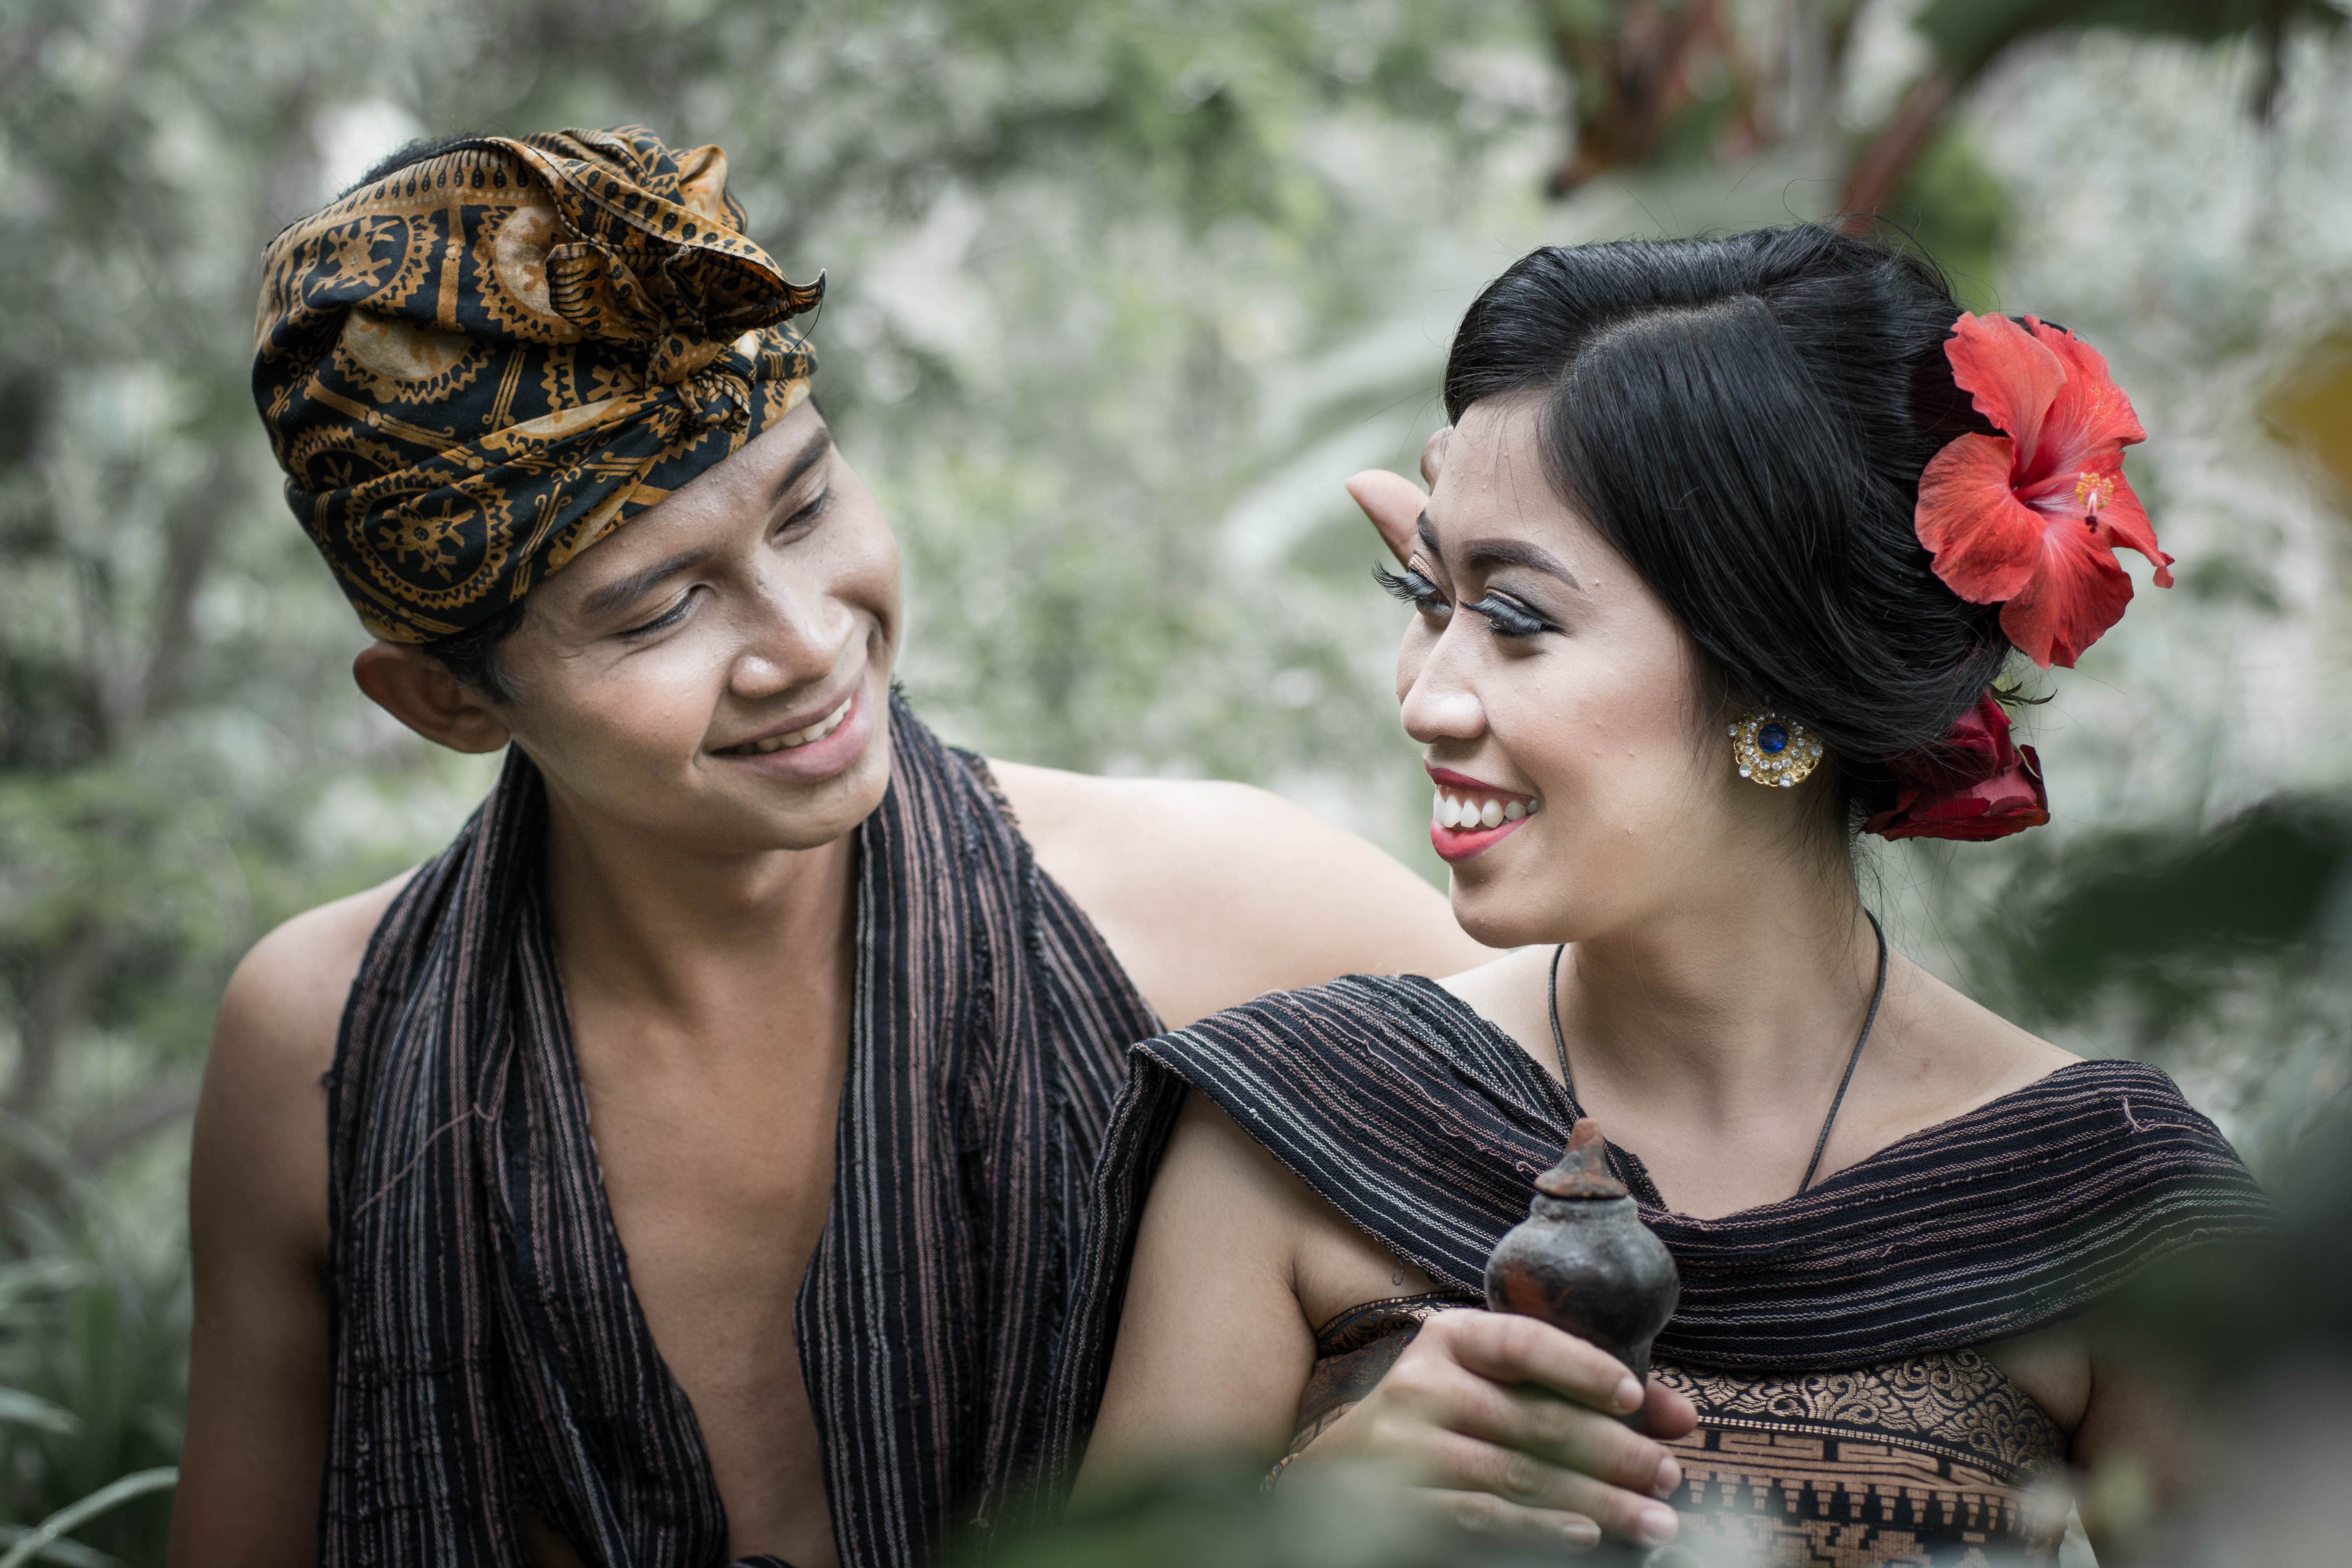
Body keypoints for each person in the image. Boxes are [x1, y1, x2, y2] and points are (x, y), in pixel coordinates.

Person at [169, 127, 1510, 1568]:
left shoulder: (1233, 921)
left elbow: (1720, 1157)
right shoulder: (325, 1052)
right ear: (446, 699)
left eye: (806, 509)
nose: (805, 643)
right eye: (658, 610)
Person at [1060, 227, 2276, 1565]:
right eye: (1427, 594)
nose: (1425, 692)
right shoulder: (1303, 1123)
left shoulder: (2104, 1198)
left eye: (1515, 619)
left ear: (1775, 683)